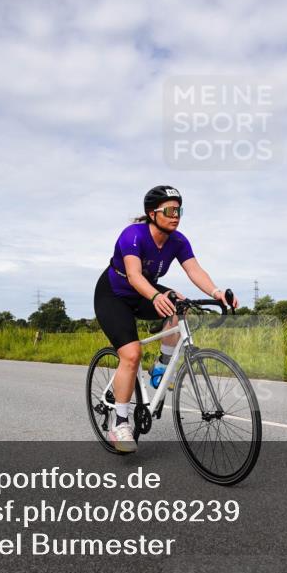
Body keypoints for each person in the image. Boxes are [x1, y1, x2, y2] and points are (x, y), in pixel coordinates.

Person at [93, 185, 239, 453]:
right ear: (152, 213)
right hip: (114, 294)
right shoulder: (133, 235)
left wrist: (216, 292)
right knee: (131, 354)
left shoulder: (178, 241)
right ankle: (121, 423)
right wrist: (154, 295)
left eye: (179, 210)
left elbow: (194, 270)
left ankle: (161, 366)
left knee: (180, 304)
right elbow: (134, 275)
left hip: (145, 291)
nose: (176, 216)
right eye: (170, 211)